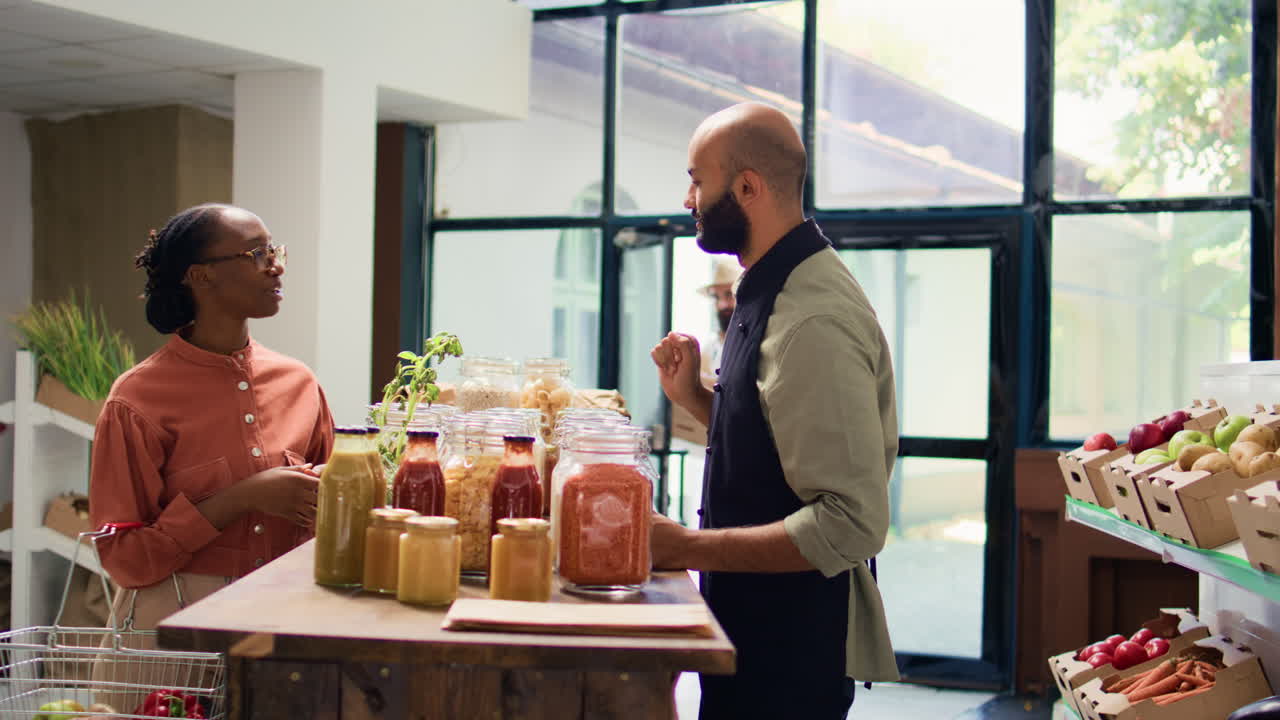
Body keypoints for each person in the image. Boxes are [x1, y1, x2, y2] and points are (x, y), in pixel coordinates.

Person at [650, 103, 899, 719]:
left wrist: (687, 546)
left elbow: (850, 522)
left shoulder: (812, 317)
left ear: (747, 188)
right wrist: (696, 399)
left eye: (697, 180)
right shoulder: (767, 283)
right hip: (750, 632)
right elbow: (777, 445)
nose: (689, 197)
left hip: (791, 657)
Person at [89, 203, 334, 635]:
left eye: (275, 251)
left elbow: (332, 517)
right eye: (256, 254)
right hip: (167, 632)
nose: (275, 267)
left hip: (281, 627)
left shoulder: (300, 383)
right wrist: (241, 497)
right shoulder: (135, 399)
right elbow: (124, 558)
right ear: (199, 274)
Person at [697, 256, 742, 381]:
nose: (722, 305)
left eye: (729, 295)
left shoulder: (759, 342)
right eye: (716, 297)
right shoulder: (710, 348)